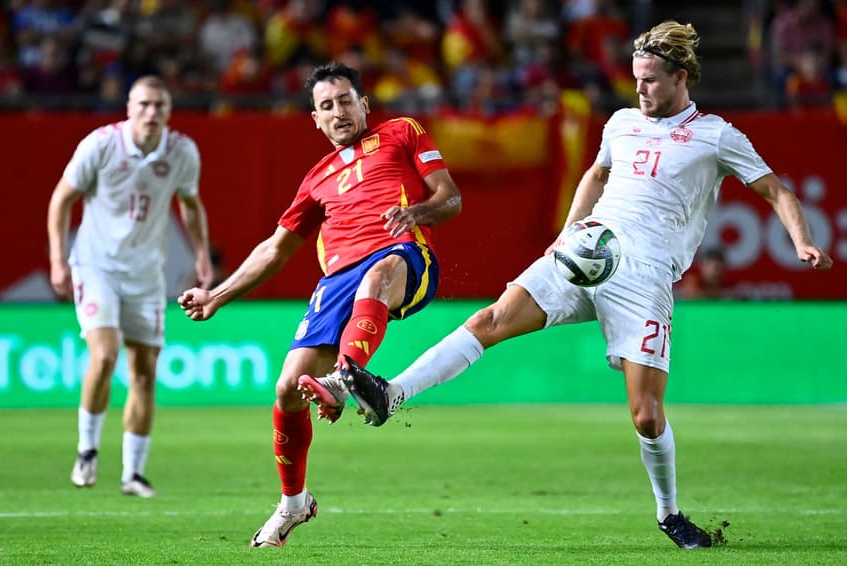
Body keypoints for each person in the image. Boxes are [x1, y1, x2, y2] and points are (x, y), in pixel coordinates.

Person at [306, 21, 834, 549]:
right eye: (636, 79)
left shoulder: (715, 135)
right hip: (584, 253)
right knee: (489, 319)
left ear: (681, 77)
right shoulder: (622, 121)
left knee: (647, 416)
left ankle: (669, 514)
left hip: (645, 278)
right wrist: (566, 235)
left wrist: (803, 240)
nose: (641, 89)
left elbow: (777, 191)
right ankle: (392, 393)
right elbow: (596, 176)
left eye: (651, 80)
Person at [177, 61, 461, 547]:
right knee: (287, 388)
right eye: (326, 106)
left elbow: (450, 198)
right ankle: (293, 504)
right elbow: (276, 247)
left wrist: (415, 211)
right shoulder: (316, 178)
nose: (338, 111)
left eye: (346, 100)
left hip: (402, 253)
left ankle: (344, 378)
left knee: (378, 276)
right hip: (336, 281)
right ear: (315, 118)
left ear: (364, 104)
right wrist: (218, 294)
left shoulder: (402, 132)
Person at [47, 75, 213, 497]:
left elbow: (191, 206)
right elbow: (61, 199)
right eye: (144, 104)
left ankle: (132, 474)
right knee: (104, 356)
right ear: (128, 107)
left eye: (159, 105)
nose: (151, 113)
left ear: (169, 111)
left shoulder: (181, 152)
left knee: (144, 376)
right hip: (96, 265)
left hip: (146, 274)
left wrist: (200, 255)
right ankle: (87, 451)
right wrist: (56, 259)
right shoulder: (101, 145)